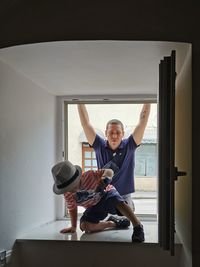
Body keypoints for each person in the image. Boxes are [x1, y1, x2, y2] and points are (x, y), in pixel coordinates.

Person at [77, 103, 151, 235]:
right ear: (106, 133)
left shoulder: (130, 145)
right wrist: (78, 100)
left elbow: (143, 121)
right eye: (111, 132)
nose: (114, 136)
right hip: (103, 195)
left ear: (123, 134)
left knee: (128, 216)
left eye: (118, 132)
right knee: (85, 226)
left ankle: (124, 219)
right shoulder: (99, 145)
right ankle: (112, 222)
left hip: (123, 198)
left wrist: (149, 99)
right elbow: (85, 123)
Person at [51, 160, 145, 242]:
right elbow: (72, 208)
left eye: (72, 185)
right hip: (93, 206)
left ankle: (137, 226)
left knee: (116, 200)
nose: (71, 190)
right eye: (67, 188)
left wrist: (105, 178)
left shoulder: (89, 175)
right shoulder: (68, 194)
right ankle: (113, 223)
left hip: (106, 195)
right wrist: (74, 226)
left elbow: (109, 171)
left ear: (78, 177)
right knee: (85, 226)